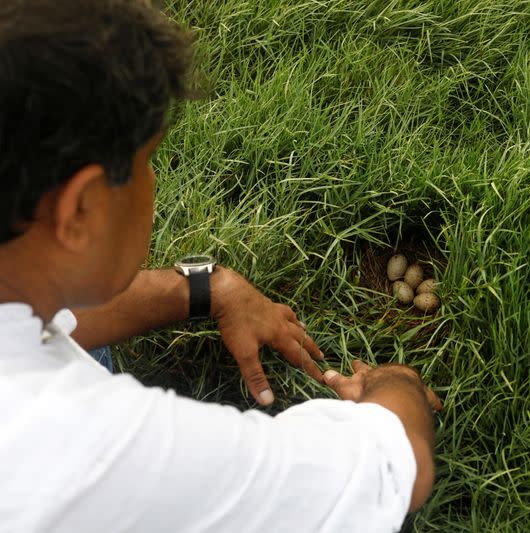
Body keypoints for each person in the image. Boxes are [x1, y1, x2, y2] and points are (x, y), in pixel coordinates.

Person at [0, 1, 441, 532]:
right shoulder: (90, 446)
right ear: (82, 208)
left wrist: (209, 289)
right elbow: (396, 467)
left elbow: (46, 321)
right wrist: (396, 388)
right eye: (148, 163)